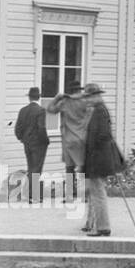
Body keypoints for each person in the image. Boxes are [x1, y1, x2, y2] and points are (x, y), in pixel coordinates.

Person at [81, 84, 123, 237]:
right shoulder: (97, 110)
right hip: (97, 158)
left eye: (88, 97)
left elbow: (103, 136)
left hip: (98, 159)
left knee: (98, 193)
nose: (86, 100)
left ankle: (103, 227)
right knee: (96, 192)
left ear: (95, 96)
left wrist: (91, 149)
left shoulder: (99, 111)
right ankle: (98, 225)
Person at [49, 83, 93, 226]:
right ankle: (84, 195)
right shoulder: (85, 102)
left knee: (69, 169)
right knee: (82, 169)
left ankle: (69, 196)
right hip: (81, 138)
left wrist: (57, 98)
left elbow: (50, 109)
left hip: (68, 139)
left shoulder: (66, 102)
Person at [15, 86, 50, 198]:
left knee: (31, 167)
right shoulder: (40, 111)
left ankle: (29, 194)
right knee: (37, 168)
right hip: (39, 144)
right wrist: (46, 141)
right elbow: (41, 128)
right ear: (38, 97)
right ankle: (33, 195)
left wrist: (22, 139)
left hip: (27, 143)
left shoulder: (23, 110)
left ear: (29, 98)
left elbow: (17, 129)